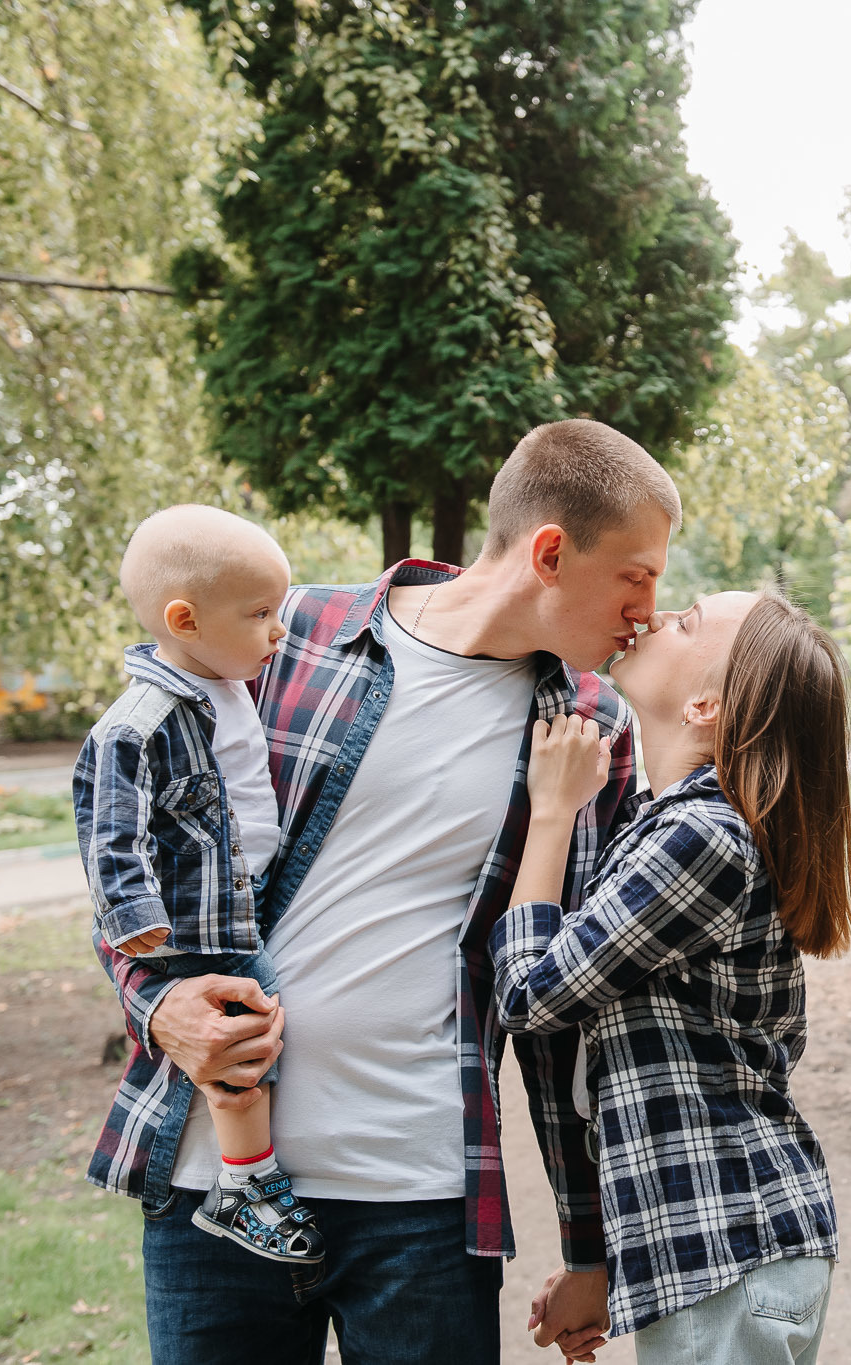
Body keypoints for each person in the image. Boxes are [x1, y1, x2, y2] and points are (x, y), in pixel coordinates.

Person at [86, 420, 679, 1364]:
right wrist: (158, 1009)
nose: (648, 610)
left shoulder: (588, 725)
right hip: (215, 1183)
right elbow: (129, 843)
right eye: (635, 576)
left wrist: (587, 1243)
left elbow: (561, 999)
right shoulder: (285, 633)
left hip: (422, 1203)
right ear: (551, 553)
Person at [492, 590, 851, 1365]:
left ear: (704, 705)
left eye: (686, 621)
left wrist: (552, 811)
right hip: (729, 1256)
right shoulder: (673, 824)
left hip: (730, 1258)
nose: (655, 616)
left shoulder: (704, 834)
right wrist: (603, 1263)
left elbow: (531, 996)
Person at [74, 505, 324, 1266]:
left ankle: (244, 1174)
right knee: (251, 1036)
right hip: (194, 920)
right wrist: (132, 915)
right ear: (185, 620)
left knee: (255, 1033)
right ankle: (245, 1182)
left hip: (243, 899)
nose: (278, 632)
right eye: (260, 614)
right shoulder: (139, 723)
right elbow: (110, 829)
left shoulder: (227, 682)